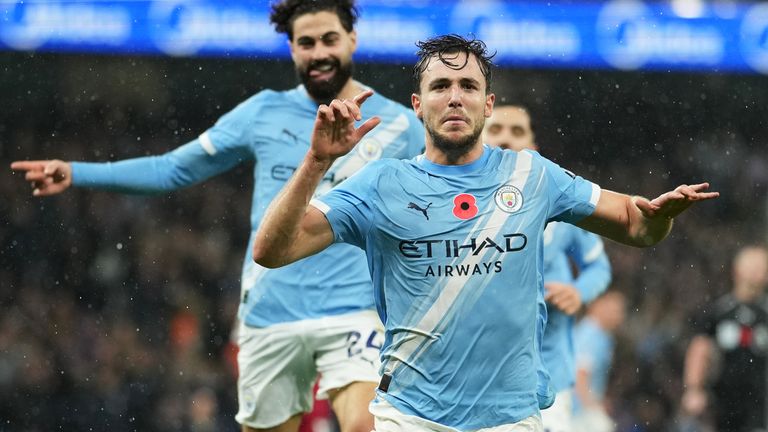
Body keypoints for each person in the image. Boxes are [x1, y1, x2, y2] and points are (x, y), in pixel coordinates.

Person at [250, 34, 718, 431]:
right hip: (410, 417)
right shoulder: (381, 183)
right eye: (440, 86)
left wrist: (660, 216)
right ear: (417, 104)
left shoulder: (532, 175)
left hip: (511, 418)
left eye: (468, 85)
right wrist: (316, 163)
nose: (455, 96)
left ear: (488, 104)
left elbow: (637, 226)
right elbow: (271, 250)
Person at [10, 1, 425, 431]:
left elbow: (441, 193)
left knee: (366, 424)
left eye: (329, 39)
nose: (318, 51)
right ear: (291, 49)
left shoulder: (397, 125)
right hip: (270, 307)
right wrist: (77, 172)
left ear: (352, 40)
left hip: (356, 310)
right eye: (306, 42)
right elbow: (172, 168)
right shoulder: (262, 112)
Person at [484, 105, 613, 432]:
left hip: (549, 373)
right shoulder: (455, 208)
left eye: (517, 132)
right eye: (496, 129)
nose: (505, 140)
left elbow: (599, 267)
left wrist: (578, 292)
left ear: (533, 148)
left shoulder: (560, 206)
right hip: (480, 374)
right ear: (480, 138)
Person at [681, 245, 768, 432]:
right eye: (753, 266)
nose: (758, 272)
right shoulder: (718, 312)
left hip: (761, 402)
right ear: (737, 270)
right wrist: (694, 389)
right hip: (723, 400)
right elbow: (699, 349)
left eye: (762, 266)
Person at [571, 291, 626, 432]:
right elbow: (579, 376)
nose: (619, 316)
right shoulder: (589, 334)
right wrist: (592, 407)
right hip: (576, 412)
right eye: (614, 310)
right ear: (598, 305)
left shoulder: (602, 336)